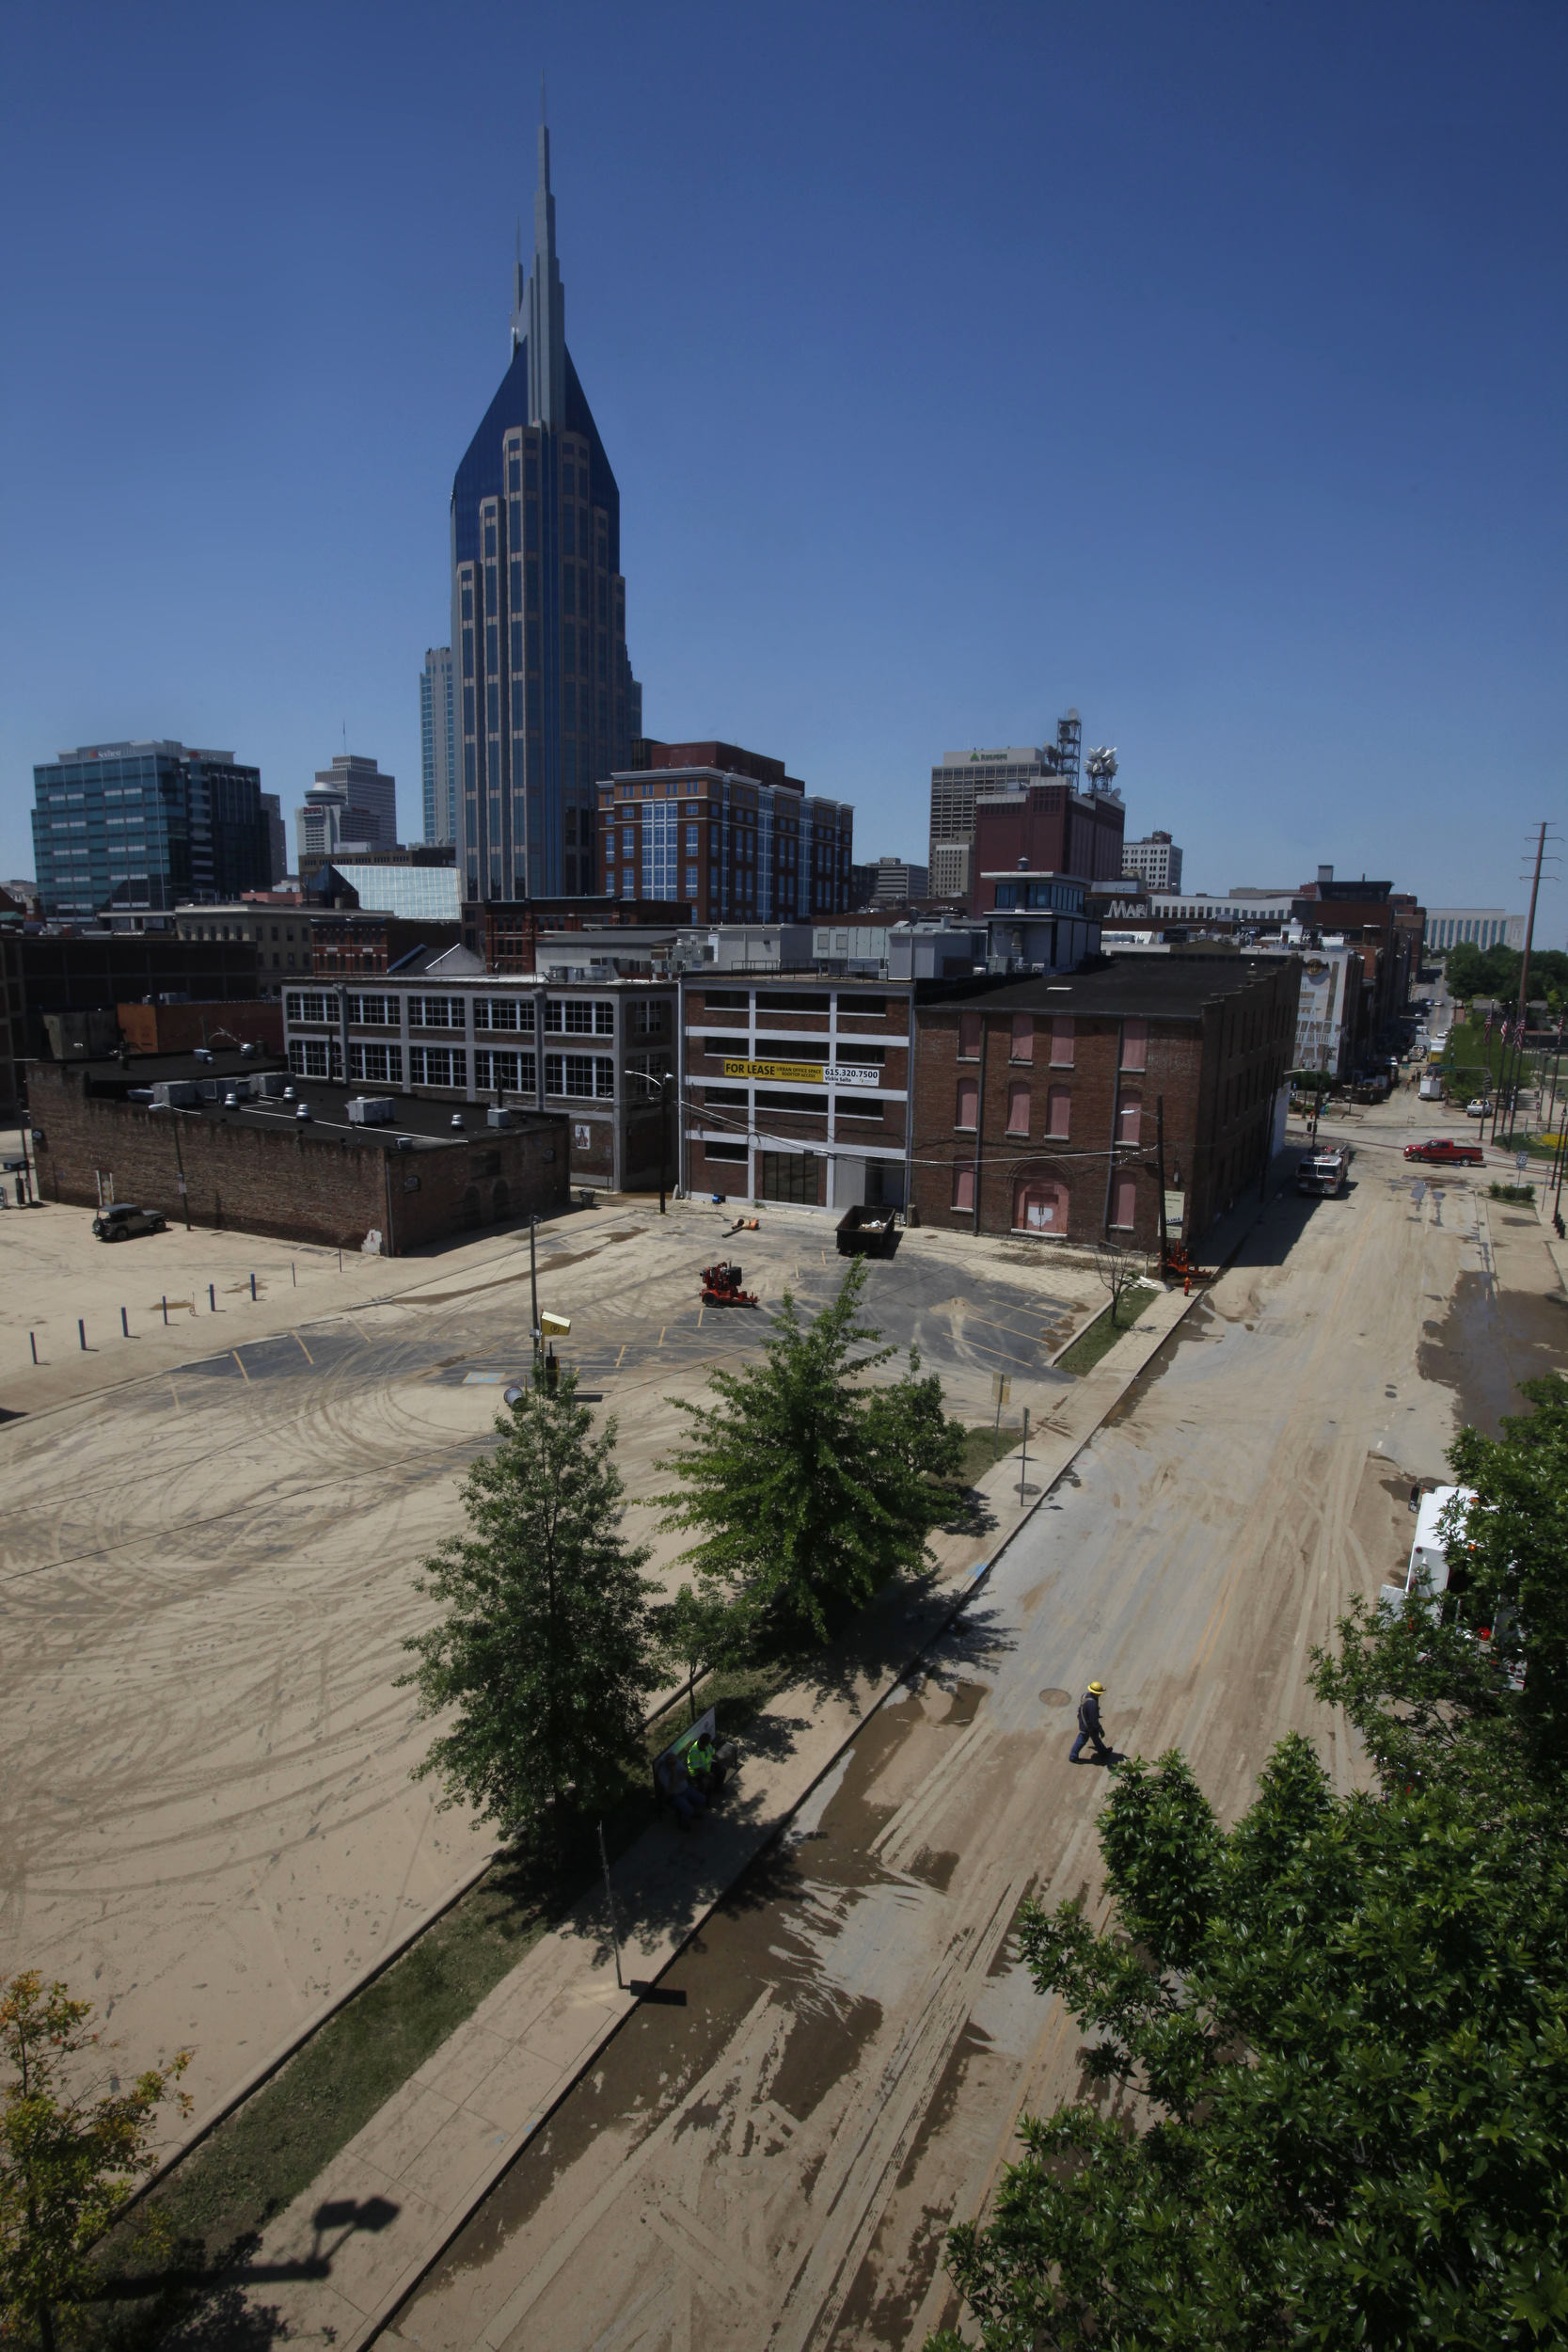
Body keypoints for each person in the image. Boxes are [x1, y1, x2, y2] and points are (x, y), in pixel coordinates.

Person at [656, 1748, 707, 1829]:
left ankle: (694, 1813)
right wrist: (674, 1773)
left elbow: (685, 1772)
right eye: (671, 1764)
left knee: (702, 1798)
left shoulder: (676, 1763)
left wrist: (676, 1780)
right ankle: (683, 1824)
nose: (674, 1765)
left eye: (674, 1762)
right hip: (675, 1795)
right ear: (667, 1764)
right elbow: (670, 1788)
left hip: (686, 1789)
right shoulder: (663, 1773)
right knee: (688, 1810)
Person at [1069, 1680, 1112, 1765]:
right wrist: (1098, 1729)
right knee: (1082, 1739)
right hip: (1088, 1726)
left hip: (1083, 1721)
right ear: (1096, 1693)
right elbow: (1093, 1720)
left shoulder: (1085, 1695)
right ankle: (1073, 1757)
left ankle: (1103, 1751)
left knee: (1095, 1738)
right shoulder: (1092, 1705)